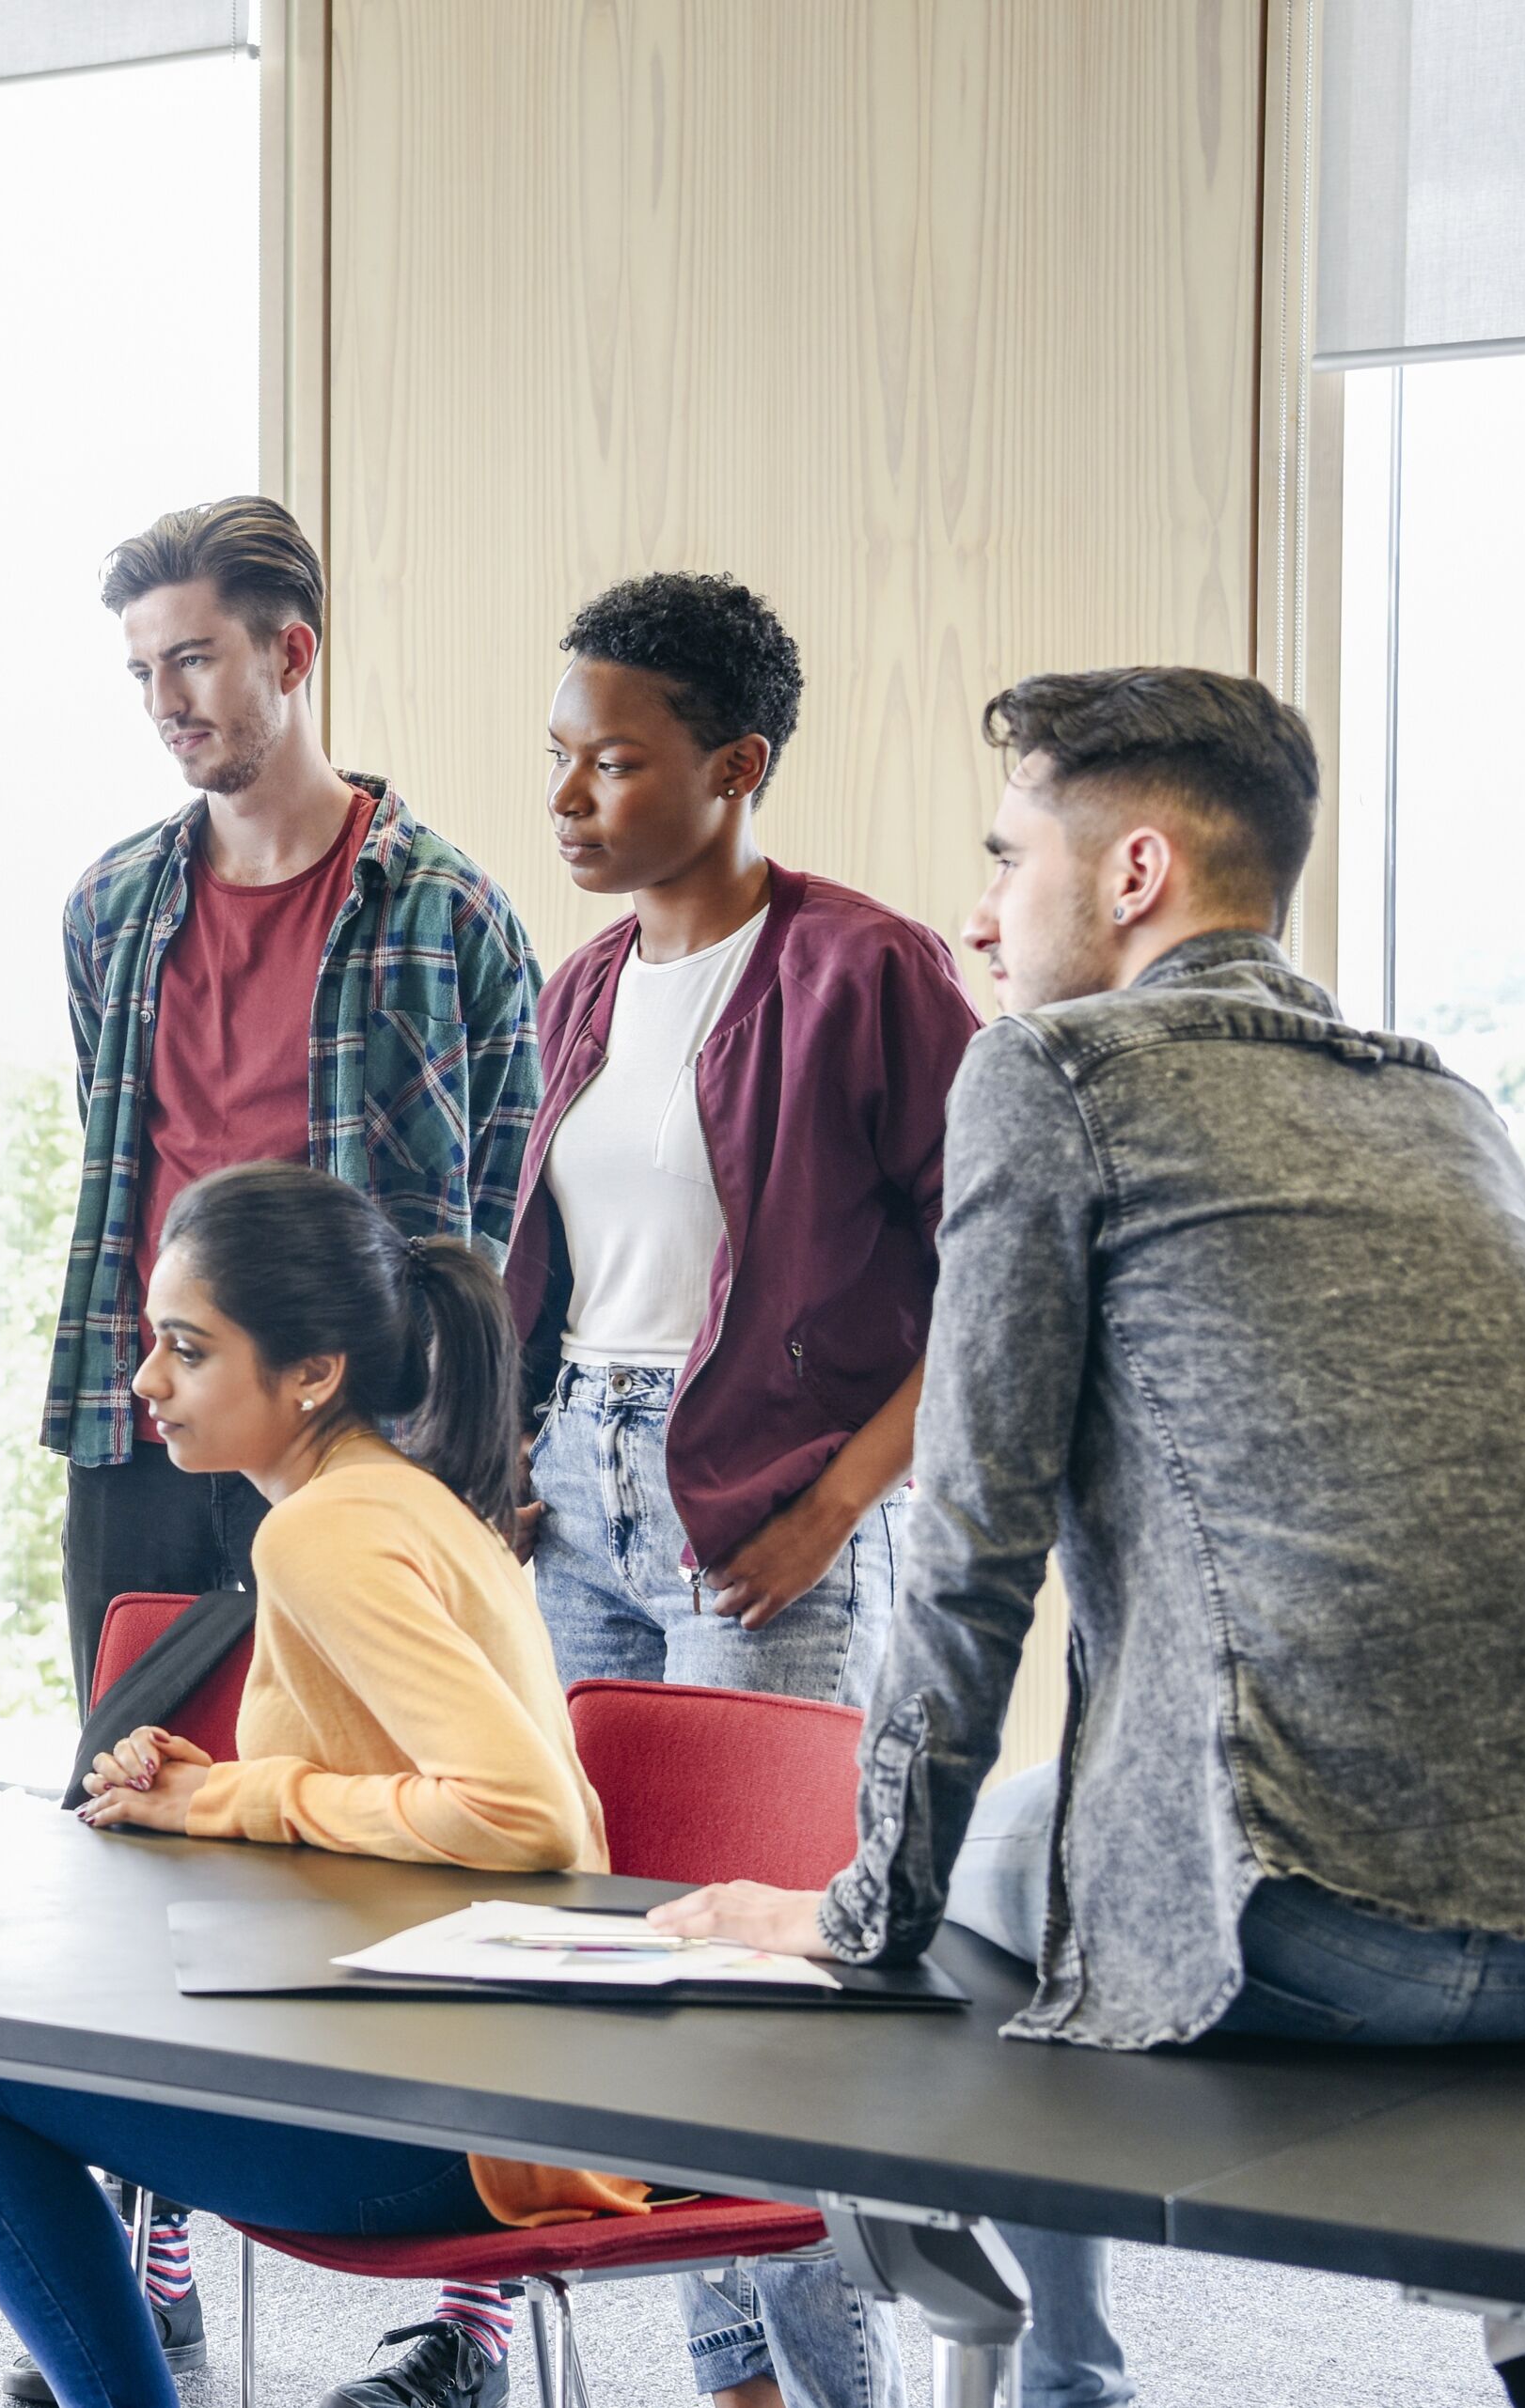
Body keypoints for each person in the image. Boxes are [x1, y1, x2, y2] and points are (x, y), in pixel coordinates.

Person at [652, 667, 1525, 2408]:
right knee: (1095, 1849)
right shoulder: (1448, 1098)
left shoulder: (1053, 1072)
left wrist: (856, 1916)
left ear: (1135, 870)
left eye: (1009, 856)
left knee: (997, 1870)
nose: (981, 911)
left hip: (1321, 1926)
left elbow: (976, 1530)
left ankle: (1015, 2361)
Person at [43, 497, 542, 2397]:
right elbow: (114, 1170)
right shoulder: (113, 905)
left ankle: (476, 2309)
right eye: (144, 670)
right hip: (155, 1427)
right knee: (148, 1817)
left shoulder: (452, 913)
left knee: (436, 1837)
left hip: (379, 1444)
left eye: (195, 658)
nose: (169, 699)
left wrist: (484, 1456)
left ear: (291, 654)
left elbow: (501, 1205)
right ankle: (154, 2239)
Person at [0, 1161, 667, 2408]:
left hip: (469, 2126)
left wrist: (242, 1801)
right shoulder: (403, 1501)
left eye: (188, 1350)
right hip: (526, 2097)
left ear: (312, 1373)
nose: (147, 1380)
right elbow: (406, 1795)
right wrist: (221, 1787)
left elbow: (528, 1818)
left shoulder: (320, 1530)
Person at [505, 575, 978, 2408]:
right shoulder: (582, 992)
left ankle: (844, 2384)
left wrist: (839, 1509)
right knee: (629, 1973)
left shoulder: (871, 971)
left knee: (767, 1998)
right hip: (582, 1499)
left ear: (735, 766)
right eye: (558, 759)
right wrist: (518, 1467)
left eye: (610, 763)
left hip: (768, 1513)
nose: (568, 800)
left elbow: (990, 1292)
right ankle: (740, 2386)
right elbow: (557, 1274)